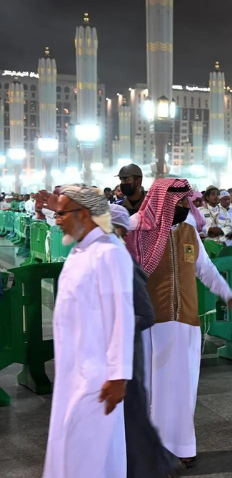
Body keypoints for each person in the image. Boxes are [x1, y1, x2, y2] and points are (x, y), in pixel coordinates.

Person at [125, 178, 232, 468]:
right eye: (176, 203)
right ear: (162, 202)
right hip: (152, 323)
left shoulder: (189, 231)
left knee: (184, 387)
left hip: (187, 320)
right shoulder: (137, 230)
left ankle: (180, 445)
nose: (182, 207)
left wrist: (228, 294)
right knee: (153, 388)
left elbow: (205, 269)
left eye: (184, 202)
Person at [43, 186, 134, 478]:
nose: (56, 220)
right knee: (86, 450)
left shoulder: (109, 251)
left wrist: (119, 374)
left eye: (60, 214)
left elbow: (122, 316)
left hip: (96, 374)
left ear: (83, 213)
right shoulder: (83, 247)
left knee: (86, 448)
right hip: (75, 368)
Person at [108, 204, 178, 478]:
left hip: (127, 355)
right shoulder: (106, 257)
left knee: (134, 417)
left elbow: (145, 314)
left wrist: (112, 329)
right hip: (115, 354)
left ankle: (158, 466)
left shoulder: (123, 261)